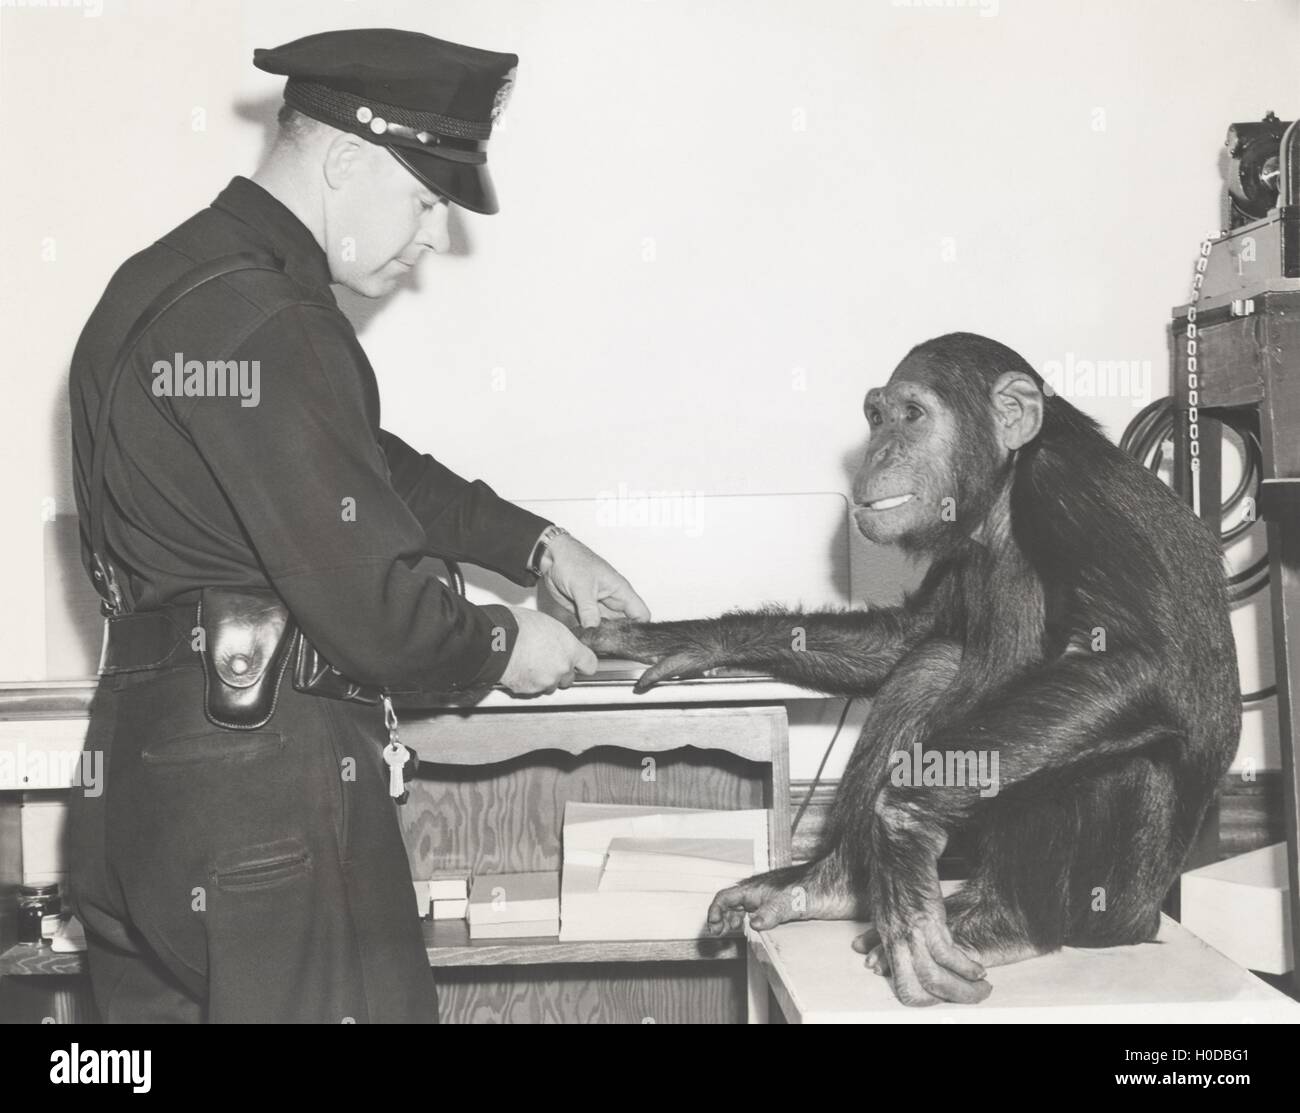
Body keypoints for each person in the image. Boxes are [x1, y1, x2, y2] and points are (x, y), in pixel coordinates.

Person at [65, 27, 648, 1024]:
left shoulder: (160, 287)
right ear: (343, 158)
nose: (432, 240)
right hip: (265, 810)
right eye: (425, 201)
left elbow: (356, 465)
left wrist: (534, 545)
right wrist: (503, 641)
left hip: (134, 795)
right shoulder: (277, 320)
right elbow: (379, 608)